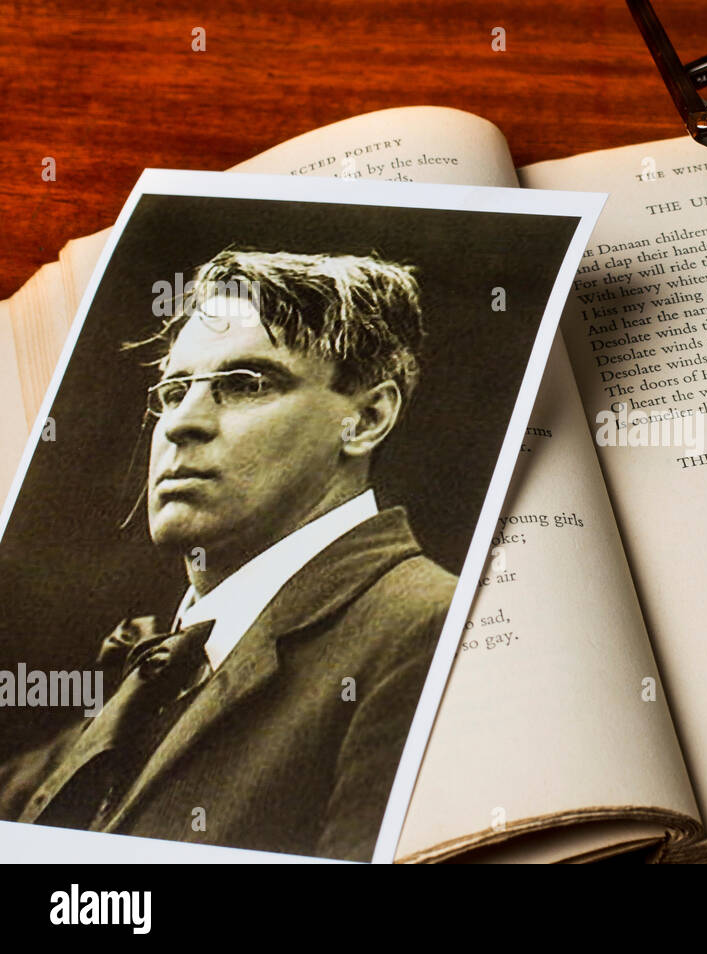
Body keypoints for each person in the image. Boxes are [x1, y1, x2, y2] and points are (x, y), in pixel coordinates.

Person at [0, 249, 457, 861]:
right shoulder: (168, 659)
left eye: (245, 384)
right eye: (173, 390)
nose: (181, 424)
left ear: (367, 418)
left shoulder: (428, 627)